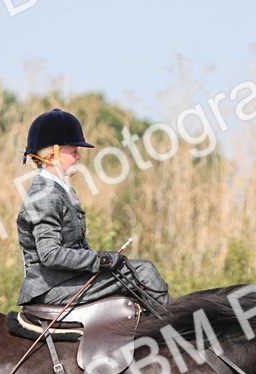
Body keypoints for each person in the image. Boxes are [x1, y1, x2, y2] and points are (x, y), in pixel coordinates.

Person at [16, 108, 170, 309]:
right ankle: (178, 332)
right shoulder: (44, 195)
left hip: (66, 280)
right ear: (52, 153)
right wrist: (102, 259)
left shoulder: (61, 190)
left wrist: (104, 260)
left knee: (133, 269)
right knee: (143, 272)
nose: (79, 156)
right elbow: (50, 254)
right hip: (50, 287)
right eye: (73, 151)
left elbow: (76, 246)